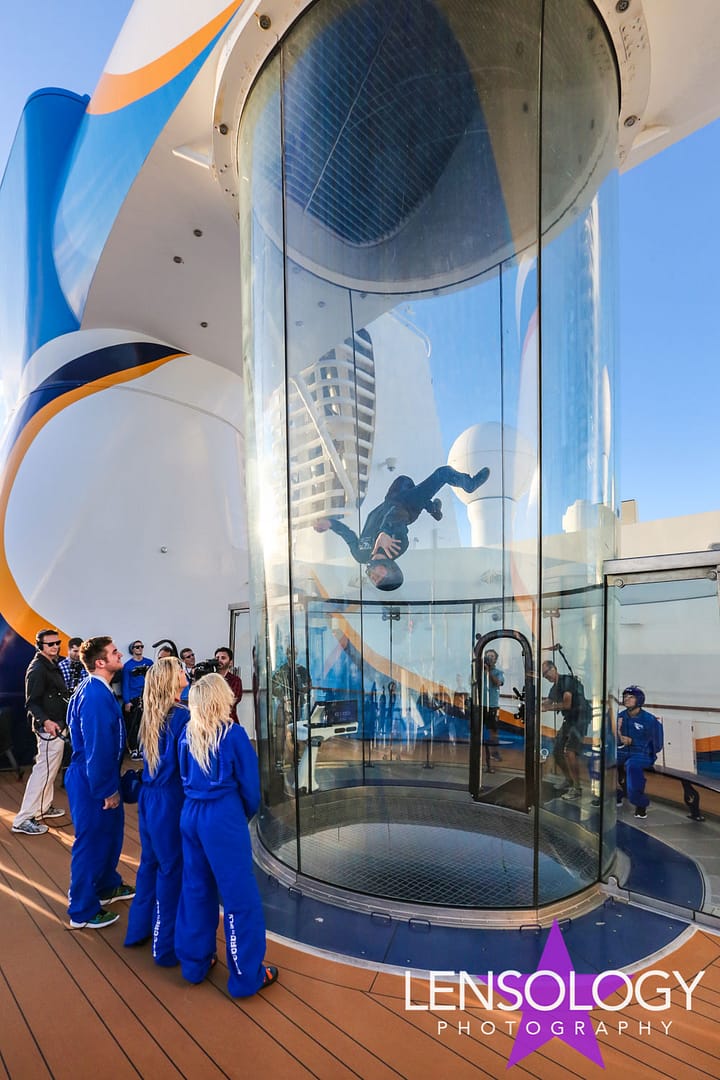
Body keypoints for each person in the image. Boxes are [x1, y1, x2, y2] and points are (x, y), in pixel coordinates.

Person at [174, 673, 278, 996]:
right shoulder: (233, 735)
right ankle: (246, 976)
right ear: (222, 698)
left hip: (190, 814)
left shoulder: (186, 733)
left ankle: (194, 964)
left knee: (195, 888)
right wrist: (241, 816)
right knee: (239, 896)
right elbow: (251, 789)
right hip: (222, 817)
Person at [314, 464, 490, 591]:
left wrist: (330, 524)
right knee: (443, 473)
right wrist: (385, 531)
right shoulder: (398, 546)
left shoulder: (360, 555)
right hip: (407, 505)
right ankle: (468, 485)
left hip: (392, 499)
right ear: (390, 568)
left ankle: (433, 508)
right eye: (380, 577)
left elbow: (348, 535)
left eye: (374, 580)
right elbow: (398, 517)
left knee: (404, 485)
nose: (374, 577)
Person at [66, 637, 135, 929]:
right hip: (91, 777)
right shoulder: (95, 696)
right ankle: (81, 910)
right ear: (100, 662)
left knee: (110, 834)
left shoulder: (96, 689)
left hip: (100, 774)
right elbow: (97, 746)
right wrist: (106, 790)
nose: (120, 654)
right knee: (91, 841)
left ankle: (107, 885)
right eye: (114, 652)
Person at [125, 657, 189, 964]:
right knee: (171, 869)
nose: (185, 672)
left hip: (148, 797)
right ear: (172, 680)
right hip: (169, 799)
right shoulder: (182, 717)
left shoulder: (150, 715)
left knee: (149, 863)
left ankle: (138, 929)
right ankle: (165, 947)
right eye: (180, 669)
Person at [12, 629, 70, 835]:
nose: (55, 647)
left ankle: (43, 807)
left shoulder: (51, 664)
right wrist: (46, 721)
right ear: (40, 646)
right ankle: (23, 819)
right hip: (49, 729)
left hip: (57, 725)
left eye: (57, 643)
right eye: (50, 644)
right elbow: (31, 703)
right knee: (43, 772)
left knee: (50, 770)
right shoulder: (37, 669)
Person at [541, 659, 586, 801]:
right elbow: (547, 702)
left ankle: (577, 788)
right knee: (557, 751)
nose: (546, 677)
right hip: (569, 720)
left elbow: (567, 704)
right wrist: (536, 705)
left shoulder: (567, 681)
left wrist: (548, 708)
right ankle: (569, 780)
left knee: (570, 752)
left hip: (580, 719)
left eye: (546, 673)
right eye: (543, 675)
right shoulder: (554, 688)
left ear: (553, 668)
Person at [617, 685, 663, 820]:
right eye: (625, 697)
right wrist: (617, 733)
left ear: (639, 700)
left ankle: (640, 803)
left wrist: (634, 742)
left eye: (631, 697)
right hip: (623, 751)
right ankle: (614, 794)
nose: (627, 699)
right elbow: (612, 737)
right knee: (600, 760)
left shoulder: (649, 720)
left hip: (643, 754)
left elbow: (657, 744)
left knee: (632, 765)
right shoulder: (620, 717)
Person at [122, 641, 153, 760]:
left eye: (141, 646)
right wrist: (127, 701)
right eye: (137, 647)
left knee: (147, 724)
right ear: (132, 649)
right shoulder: (128, 665)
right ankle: (134, 749)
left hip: (148, 697)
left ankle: (144, 748)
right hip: (134, 697)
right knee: (134, 724)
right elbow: (125, 684)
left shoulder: (149, 663)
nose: (140, 649)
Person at [479, 648, 504, 772]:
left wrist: (488, 672)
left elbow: (498, 683)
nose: (489, 658)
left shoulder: (498, 672)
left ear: (496, 660)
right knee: (477, 730)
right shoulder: (478, 671)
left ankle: (495, 752)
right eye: (488, 656)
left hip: (492, 706)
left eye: (492, 656)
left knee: (493, 730)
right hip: (480, 705)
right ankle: (477, 752)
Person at [214, 647, 243, 723]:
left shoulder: (235, 680)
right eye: (217, 658)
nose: (219, 660)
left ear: (230, 662)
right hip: (211, 722)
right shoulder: (210, 679)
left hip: (229, 720)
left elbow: (231, 701)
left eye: (223, 658)